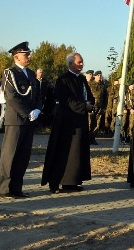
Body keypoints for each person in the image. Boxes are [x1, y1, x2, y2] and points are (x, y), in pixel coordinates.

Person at [41, 53, 94, 193]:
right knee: (64, 151)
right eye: (79, 62)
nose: (82, 65)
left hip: (80, 120)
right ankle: (57, 181)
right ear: (71, 63)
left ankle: (72, 181)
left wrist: (90, 104)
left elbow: (89, 96)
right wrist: (84, 105)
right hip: (66, 122)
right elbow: (66, 100)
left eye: (82, 62)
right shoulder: (63, 80)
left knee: (76, 152)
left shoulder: (82, 79)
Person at [0, 42, 41, 198]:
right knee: (10, 155)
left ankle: (16, 188)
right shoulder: (9, 73)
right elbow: (12, 97)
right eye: (26, 54)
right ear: (16, 56)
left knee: (23, 155)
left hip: (29, 120)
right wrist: (27, 112)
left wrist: (37, 109)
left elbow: (37, 95)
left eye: (29, 54)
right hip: (16, 119)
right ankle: (4, 189)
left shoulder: (30, 74)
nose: (29, 57)